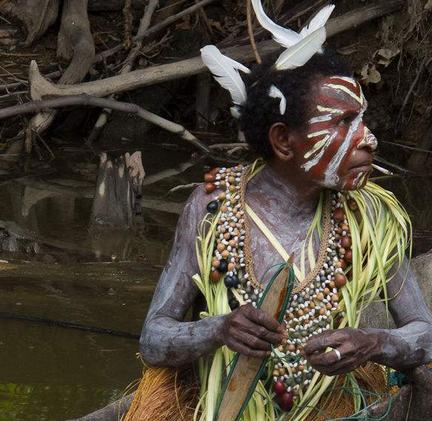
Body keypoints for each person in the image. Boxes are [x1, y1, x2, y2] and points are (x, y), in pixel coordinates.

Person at [125, 3, 432, 420]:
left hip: (328, 405)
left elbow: (426, 336)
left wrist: (371, 342)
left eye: (362, 120)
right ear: (284, 142)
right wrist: (219, 329)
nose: (370, 140)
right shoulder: (211, 205)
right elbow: (154, 339)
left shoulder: (373, 216)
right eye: (343, 123)